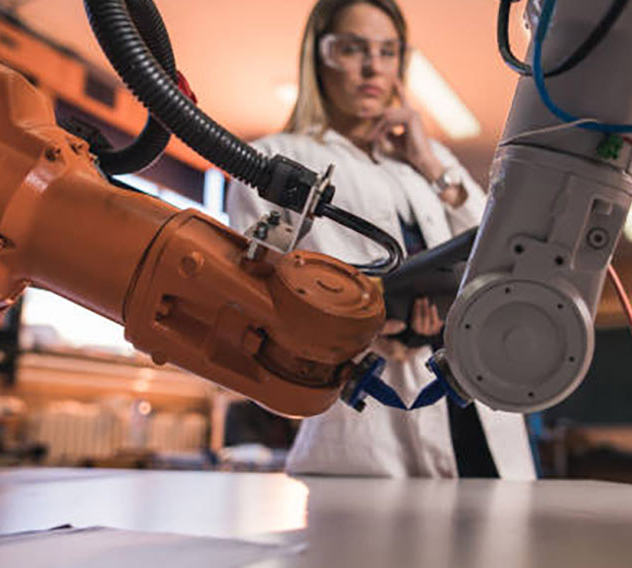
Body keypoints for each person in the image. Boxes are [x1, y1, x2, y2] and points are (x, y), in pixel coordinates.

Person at [227, 0, 535, 480]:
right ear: (318, 55)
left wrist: (430, 164)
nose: (373, 66)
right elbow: (255, 308)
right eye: (353, 49)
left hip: (475, 414)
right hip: (367, 427)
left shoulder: (426, 162)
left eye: (387, 51)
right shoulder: (273, 160)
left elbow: (502, 250)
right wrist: (357, 334)